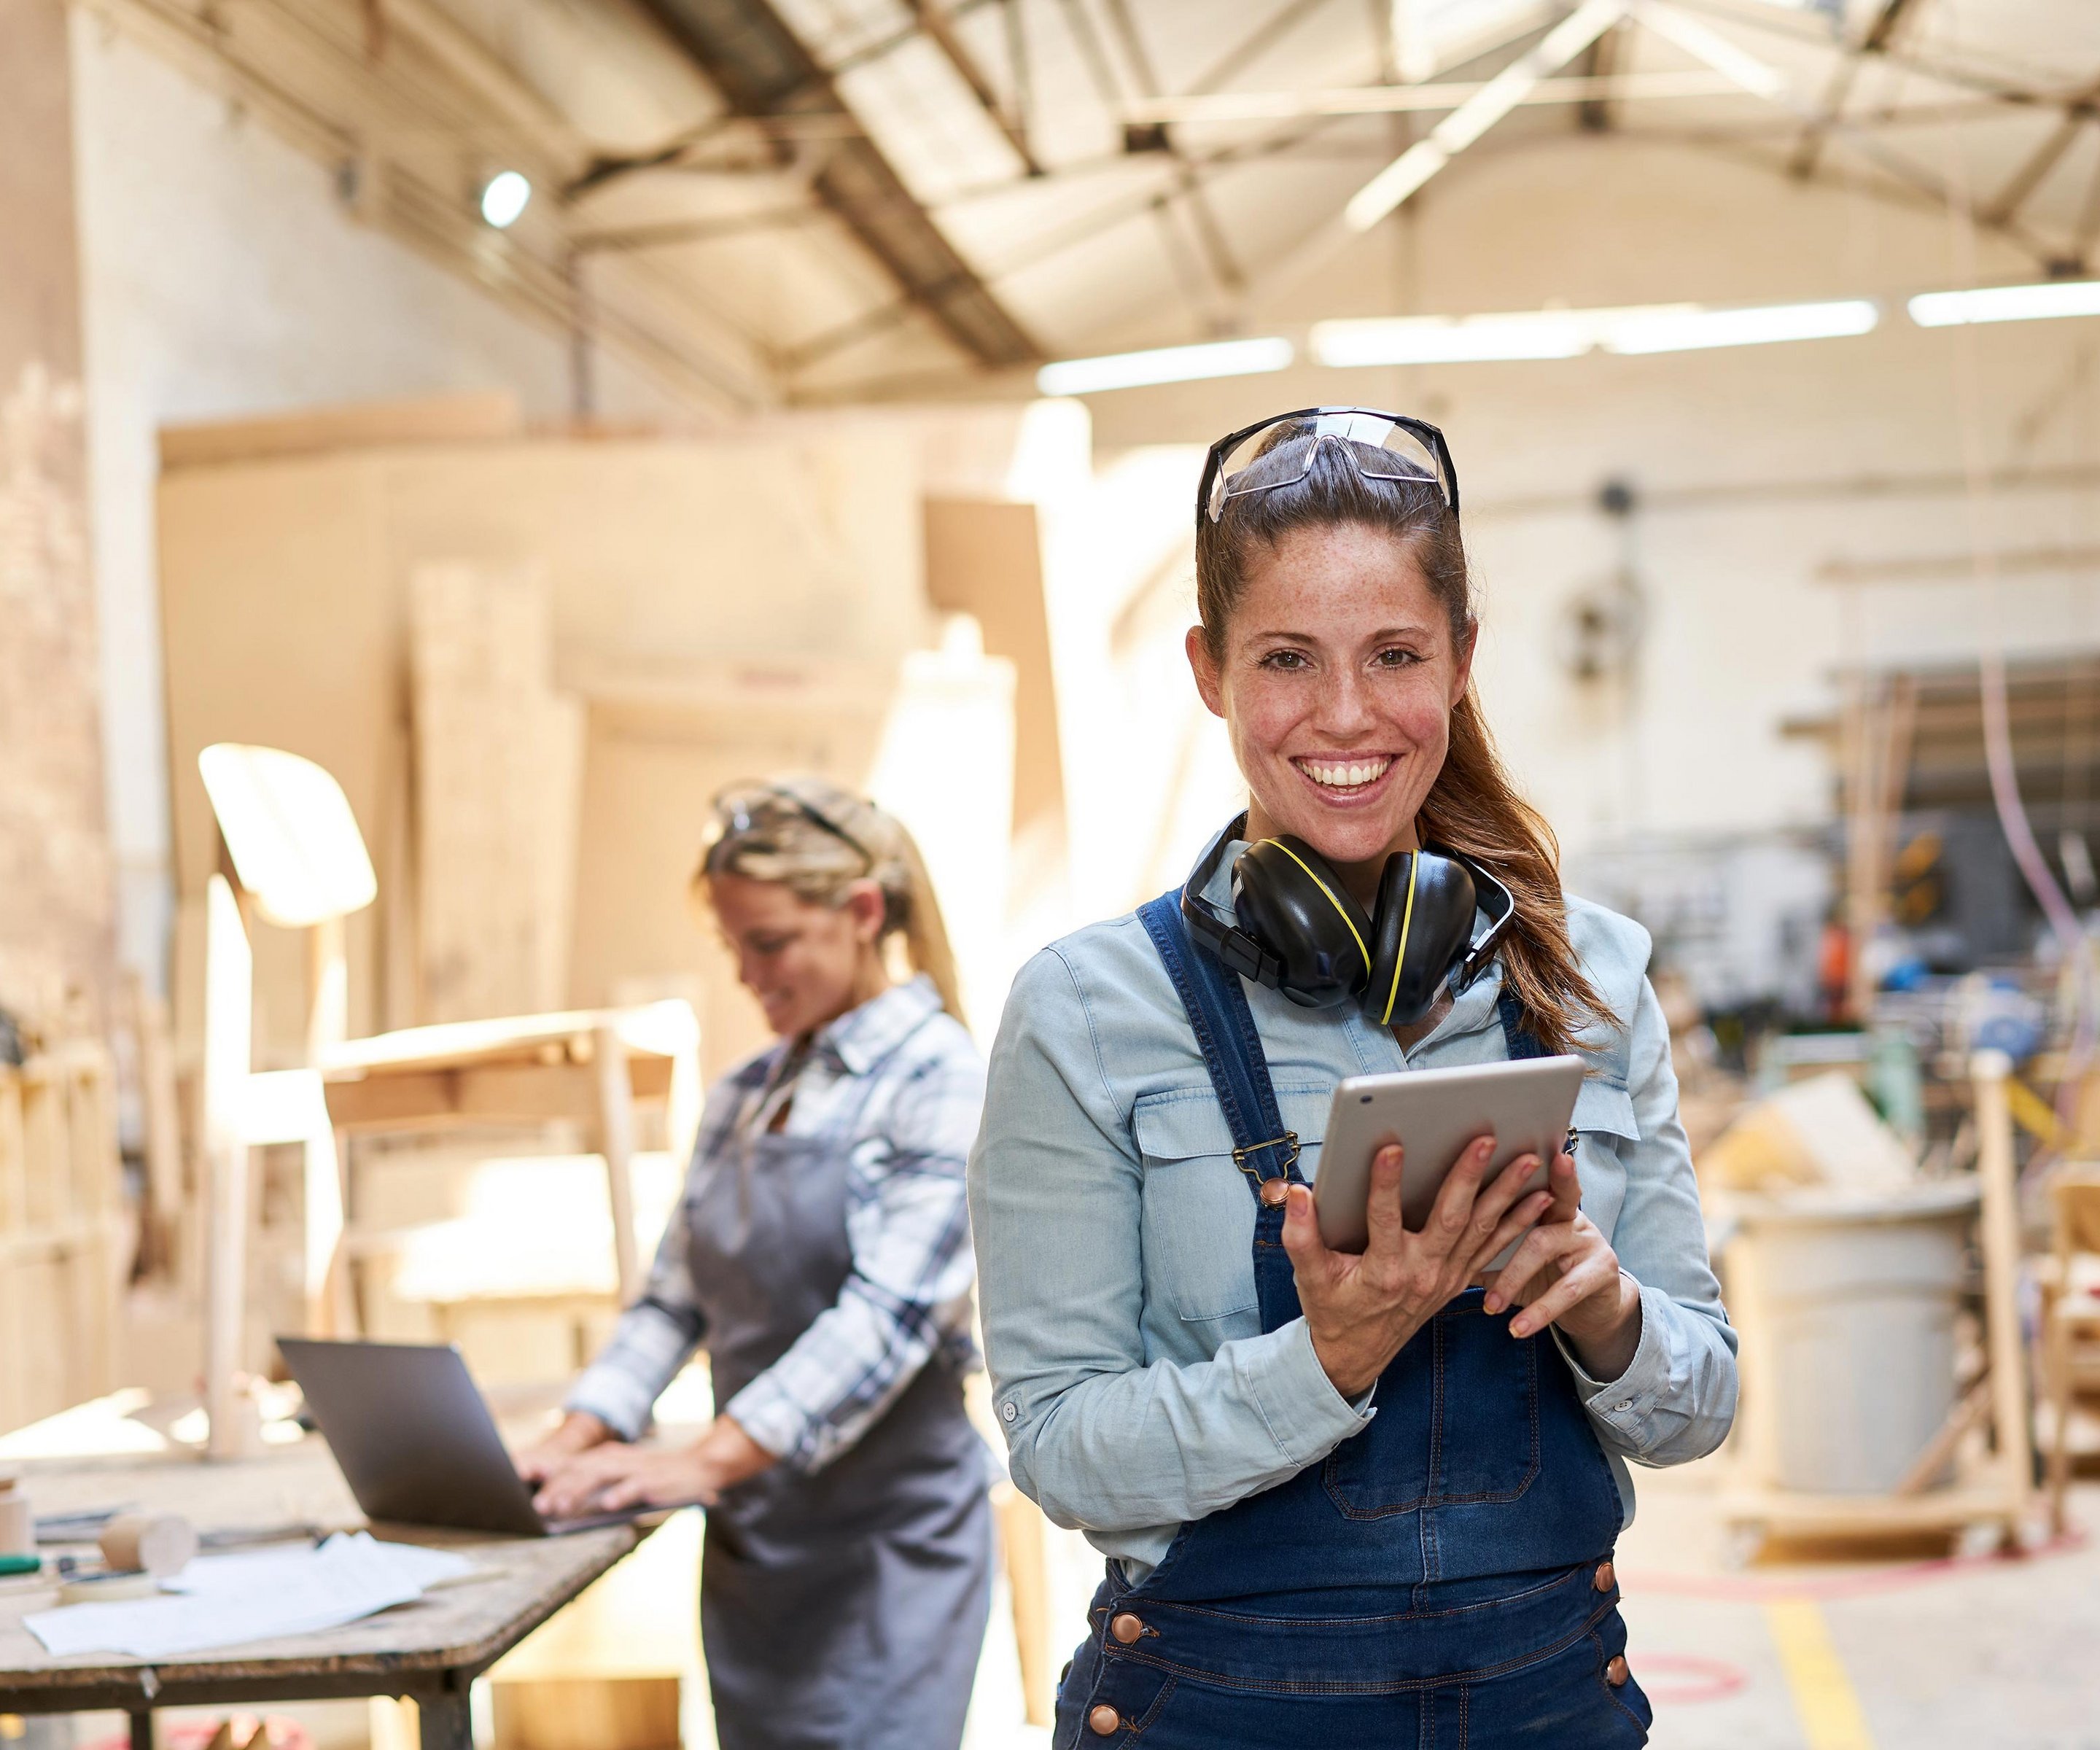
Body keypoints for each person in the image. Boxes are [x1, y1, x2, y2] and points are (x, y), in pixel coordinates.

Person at [968, 410, 1737, 1746]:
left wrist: (1607, 1310)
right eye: (1285, 659)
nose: (1344, 717)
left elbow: (1704, 1398)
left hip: (1547, 1707)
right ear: (1208, 671)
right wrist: (1325, 1359)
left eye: (1395, 656)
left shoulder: (1590, 978)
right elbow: (1058, 1444)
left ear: (1460, 664)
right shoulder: (1089, 1011)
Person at [523, 778, 992, 1750]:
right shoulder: (745, 1093)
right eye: (734, 945)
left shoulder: (939, 1082)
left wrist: (699, 1459)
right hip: (756, 1554)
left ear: (862, 915)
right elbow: (669, 1300)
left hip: (884, 1559)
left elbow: (885, 1322)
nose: (745, 974)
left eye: (769, 943)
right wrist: (573, 1435)